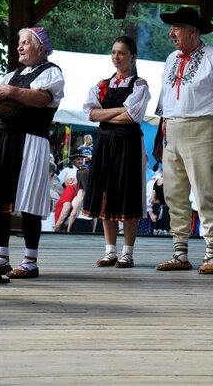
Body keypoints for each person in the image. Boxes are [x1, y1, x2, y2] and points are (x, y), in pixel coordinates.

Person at [153, 6, 213, 274]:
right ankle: (180, 253)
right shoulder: (171, 59)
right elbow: (164, 105)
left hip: (203, 128)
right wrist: (158, 140)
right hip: (172, 130)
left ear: (192, 31)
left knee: (205, 192)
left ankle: (212, 254)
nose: (171, 33)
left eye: (176, 28)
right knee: (174, 194)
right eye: (172, 28)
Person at [0, 26, 64, 279]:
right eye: (19, 43)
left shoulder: (51, 72)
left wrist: (11, 93)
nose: (19, 47)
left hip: (30, 139)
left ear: (41, 47)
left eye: (25, 42)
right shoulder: (12, 74)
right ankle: (0, 258)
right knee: (0, 199)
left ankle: (30, 261)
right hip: (4, 137)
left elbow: (41, 100)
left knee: (30, 199)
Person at [83, 35, 151, 268]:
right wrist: (119, 110)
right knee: (105, 193)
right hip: (105, 142)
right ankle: (110, 250)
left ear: (132, 57)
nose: (116, 57)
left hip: (128, 143)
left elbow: (132, 116)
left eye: (121, 53)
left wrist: (106, 113)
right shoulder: (103, 84)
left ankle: (127, 252)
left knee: (128, 194)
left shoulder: (139, 84)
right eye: (113, 52)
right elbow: (90, 114)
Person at [67, 167, 93, 233]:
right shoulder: (92, 192)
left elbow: (75, 212)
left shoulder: (81, 192)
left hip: (79, 222)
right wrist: (93, 229)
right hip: (90, 222)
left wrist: (68, 228)